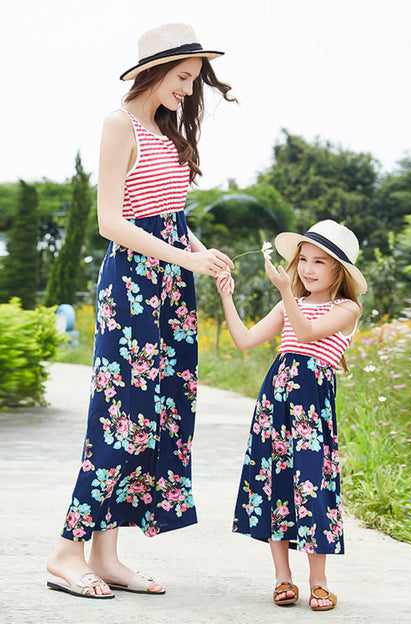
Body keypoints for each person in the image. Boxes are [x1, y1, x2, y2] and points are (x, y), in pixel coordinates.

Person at [47, 22, 235, 599]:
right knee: (120, 415)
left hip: (172, 289)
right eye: (182, 77)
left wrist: (204, 254)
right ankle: (66, 553)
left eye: (193, 80)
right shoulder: (118, 124)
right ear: (155, 71)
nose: (188, 89)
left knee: (155, 417)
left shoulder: (165, 130)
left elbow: (167, 214)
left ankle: (107, 556)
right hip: (131, 286)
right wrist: (184, 255)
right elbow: (112, 222)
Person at [216, 219, 367, 611]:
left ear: (340, 270)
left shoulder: (347, 308)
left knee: (312, 486)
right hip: (275, 399)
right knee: (274, 483)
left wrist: (284, 291)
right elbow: (245, 340)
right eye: (303, 260)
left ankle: (319, 582)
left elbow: (307, 335)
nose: (307, 269)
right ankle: (283, 579)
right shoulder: (290, 301)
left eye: (319, 262)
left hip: (312, 402)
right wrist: (227, 297)